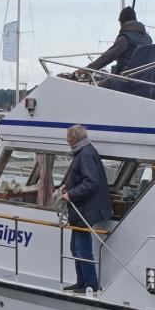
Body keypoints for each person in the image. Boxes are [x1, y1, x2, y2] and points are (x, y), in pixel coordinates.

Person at [60, 125, 112, 293]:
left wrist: (71, 194)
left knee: (82, 249)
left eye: (68, 138)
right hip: (81, 210)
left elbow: (91, 182)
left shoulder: (85, 154)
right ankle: (81, 282)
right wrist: (67, 187)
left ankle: (91, 285)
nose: (67, 141)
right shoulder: (83, 152)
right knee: (75, 248)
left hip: (85, 210)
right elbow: (83, 179)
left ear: (74, 139)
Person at [84, 6, 152, 76]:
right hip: (144, 78)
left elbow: (108, 56)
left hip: (125, 79)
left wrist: (88, 69)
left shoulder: (125, 38)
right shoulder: (148, 39)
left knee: (100, 82)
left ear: (121, 22)